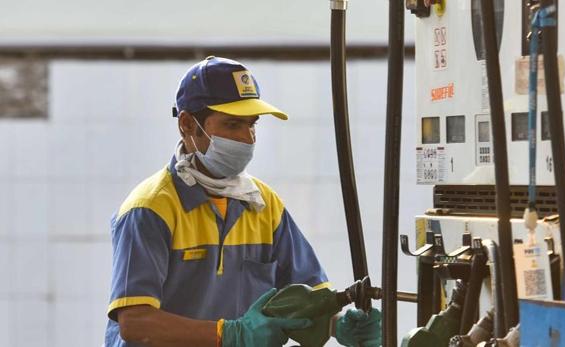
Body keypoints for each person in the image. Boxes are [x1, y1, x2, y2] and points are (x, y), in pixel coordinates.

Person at [104, 56, 381, 346]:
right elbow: (135, 321)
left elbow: (304, 299)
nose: (248, 139)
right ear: (187, 124)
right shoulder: (151, 209)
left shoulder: (263, 204)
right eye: (233, 124)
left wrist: (337, 326)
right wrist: (230, 334)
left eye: (252, 125)